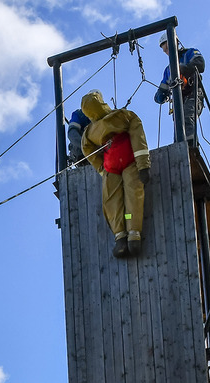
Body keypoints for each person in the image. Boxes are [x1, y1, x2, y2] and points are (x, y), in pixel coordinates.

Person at [79, 89, 151, 258]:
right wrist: (143, 166)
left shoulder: (90, 132)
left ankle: (121, 236)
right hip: (128, 162)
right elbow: (137, 134)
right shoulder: (123, 115)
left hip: (111, 167)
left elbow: (86, 149)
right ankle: (133, 234)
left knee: (113, 202)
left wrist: (102, 168)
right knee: (132, 197)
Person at [154, 36, 206, 144]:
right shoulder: (169, 70)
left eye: (167, 48)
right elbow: (162, 88)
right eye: (165, 50)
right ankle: (179, 146)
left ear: (175, 43)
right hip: (179, 99)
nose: (167, 52)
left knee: (187, 117)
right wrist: (160, 96)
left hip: (194, 93)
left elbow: (200, 64)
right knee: (178, 124)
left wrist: (182, 69)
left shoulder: (189, 53)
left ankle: (191, 147)